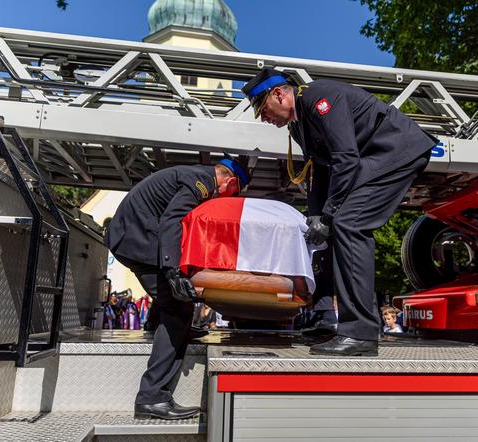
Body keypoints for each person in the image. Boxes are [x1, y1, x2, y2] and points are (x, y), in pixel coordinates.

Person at [242, 68, 437, 356]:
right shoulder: (299, 125)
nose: (263, 117)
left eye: (262, 108)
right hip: (373, 158)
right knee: (335, 230)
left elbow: (345, 158)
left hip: (395, 150)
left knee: (349, 224)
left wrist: (331, 216)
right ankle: (327, 320)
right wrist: (317, 218)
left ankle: (359, 334)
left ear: (279, 94)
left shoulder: (319, 98)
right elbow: (320, 172)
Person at [104, 157, 249, 419]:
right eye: (234, 192)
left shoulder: (192, 173)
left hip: (133, 234)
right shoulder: (202, 182)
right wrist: (173, 271)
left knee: (172, 298)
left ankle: (158, 329)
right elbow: (172, 220)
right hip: (137, 238)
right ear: (230, 181)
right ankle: (152, 397)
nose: (229, 196)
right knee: (179, 308)